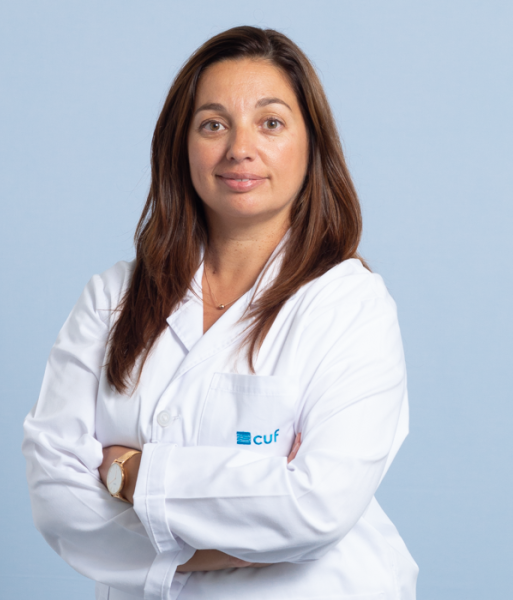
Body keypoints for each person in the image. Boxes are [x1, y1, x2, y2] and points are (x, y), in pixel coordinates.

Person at [22, 25, 418, 600]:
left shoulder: (349, 305)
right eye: (213, 124)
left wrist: (129, 474)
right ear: (180, 145)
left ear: (312, 145)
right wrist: (244, 517)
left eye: (271, 123)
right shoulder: (112, 297)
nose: (240, 149)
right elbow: (56, 499)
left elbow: (316, 506)